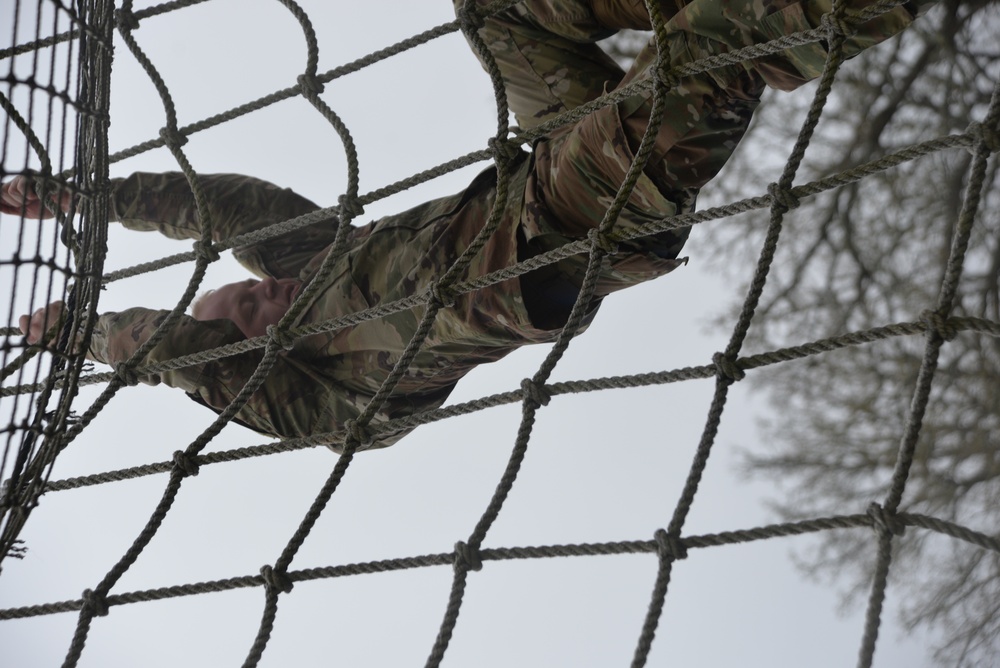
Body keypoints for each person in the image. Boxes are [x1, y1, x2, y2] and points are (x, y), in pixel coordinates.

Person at [6, 0, 927, 450]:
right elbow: (187, 353)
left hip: (547, 160)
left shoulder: (319, 260)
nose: (261, 288)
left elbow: (228, 206)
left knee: (495, 9)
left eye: (246, 283)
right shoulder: (332, 399)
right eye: (248, 310)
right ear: (261, 349)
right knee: (713, 48)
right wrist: (86, 335)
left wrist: (84, 198)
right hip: (577, 223)